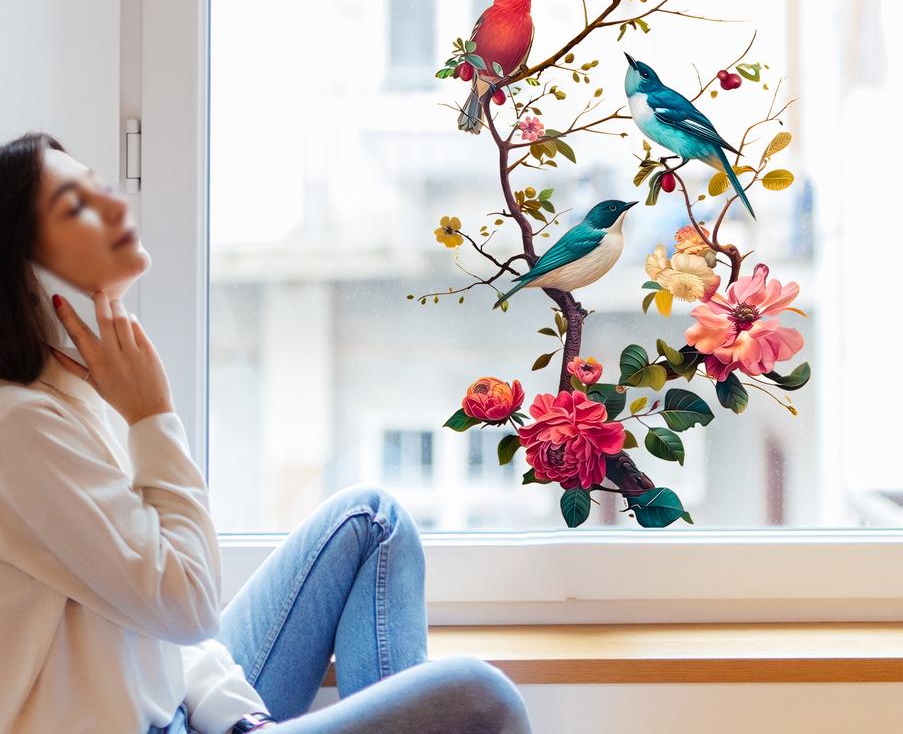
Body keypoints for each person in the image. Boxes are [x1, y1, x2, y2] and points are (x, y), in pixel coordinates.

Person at [0, 131, 534, 734]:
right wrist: (152, 415)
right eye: (78, 206)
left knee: (371, 522)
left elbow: (158, 628)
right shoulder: (20, 428)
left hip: (191, 715)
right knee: (481, 700)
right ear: (20, 270)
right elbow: (190, 603)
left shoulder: (76, 395)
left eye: (99, 186)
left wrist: (242, 720)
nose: (117, 207)